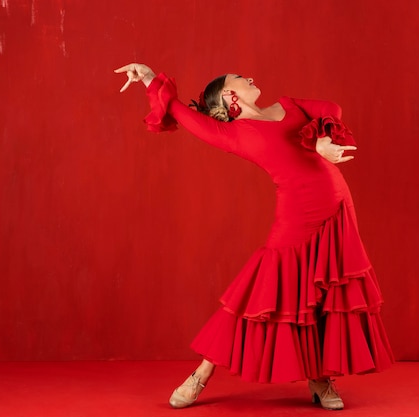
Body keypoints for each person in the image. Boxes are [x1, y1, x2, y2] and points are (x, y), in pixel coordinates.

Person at [114, 63, 394, 411]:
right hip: (297, 213)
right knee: (267, 290)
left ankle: (320, 379)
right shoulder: (233, 133)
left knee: (324, 291)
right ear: (230, 96)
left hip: (337, 206)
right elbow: (178, 111)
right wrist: (147, 75)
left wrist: (321, 139)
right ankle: (200, 374)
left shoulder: (290, 105)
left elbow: (331, 108)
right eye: (240, 79)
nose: (249, 78)